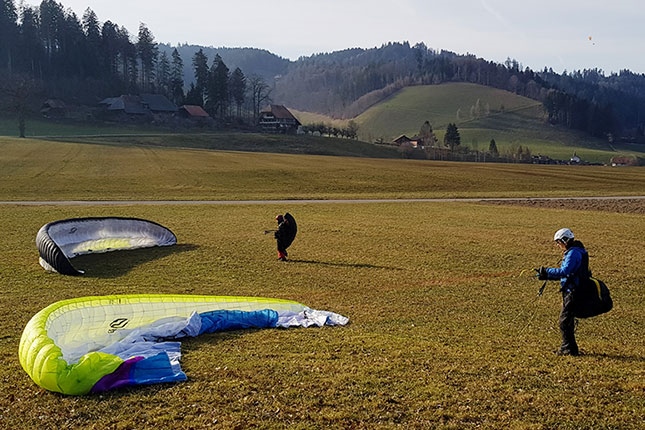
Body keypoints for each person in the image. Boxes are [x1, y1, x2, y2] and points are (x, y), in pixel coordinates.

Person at [537, 228, 591, 356]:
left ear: (565, 241)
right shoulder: (575, 251)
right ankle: (569, 348)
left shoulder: (573, 253)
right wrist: (547, 276)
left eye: (558, 242)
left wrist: (547, 271)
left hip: (574, 291)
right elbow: (567, 274)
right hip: (572, 289)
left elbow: (565, 272)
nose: (558, 245)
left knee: (564, 320)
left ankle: (569, 349)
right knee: (567, 320)